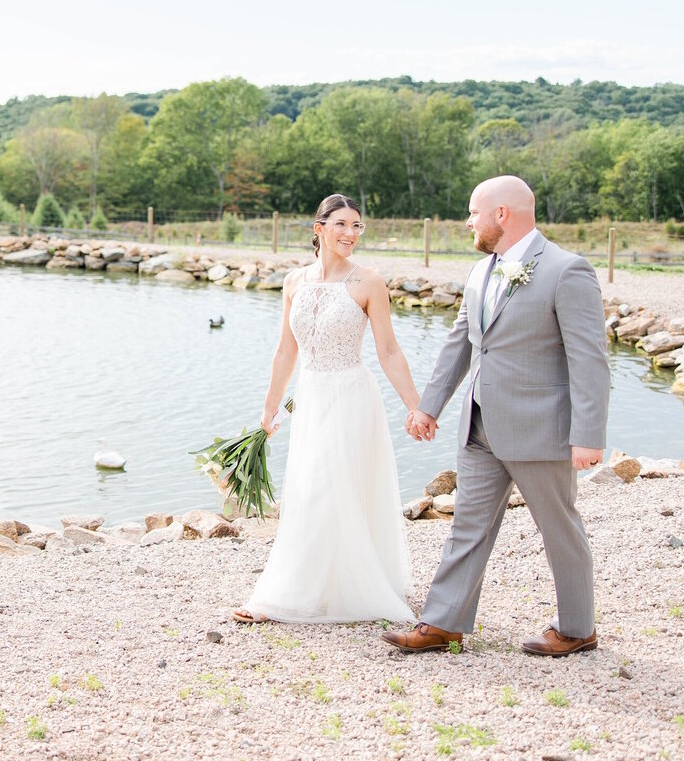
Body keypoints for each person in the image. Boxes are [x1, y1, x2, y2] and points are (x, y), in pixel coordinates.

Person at [383, 175, 609, 657]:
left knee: (559, 528)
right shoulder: (480, 272)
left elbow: (589, 359)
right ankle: (443, 623)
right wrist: (429, 405)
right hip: (479, 425)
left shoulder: (567, 270)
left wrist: (588, 435)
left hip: (541, 429)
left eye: (473, 211)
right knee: (467, 524)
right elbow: (461, 345)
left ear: (501, 214)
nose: (468, 221)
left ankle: (577, 627)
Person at [233, 194, 422, 624]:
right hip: (312, 395)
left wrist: (415, 407)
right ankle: (313, 586)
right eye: (341, 224)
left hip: (352, 396)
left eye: (357, 226)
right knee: (306, 489)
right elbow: (285, 351)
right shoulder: (294, 281)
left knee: (329, 488)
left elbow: (389, 351)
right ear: (318, 229)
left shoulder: (368, 282)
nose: (350, 234)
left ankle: (288, 596)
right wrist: (269, 408)